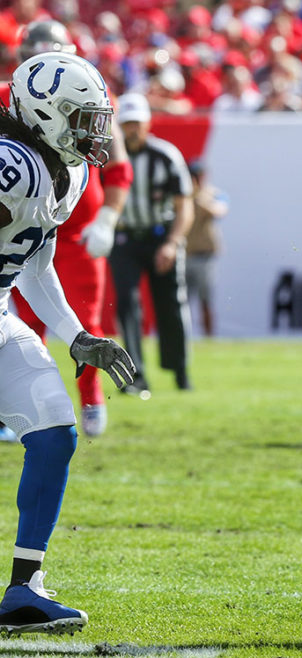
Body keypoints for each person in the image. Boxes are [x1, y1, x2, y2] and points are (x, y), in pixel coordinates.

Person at [0, 51, 136, 635]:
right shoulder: (10, 162)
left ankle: (24, 591)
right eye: (82, 118)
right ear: (44, 114)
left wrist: (76, 335)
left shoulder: (67, 169)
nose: (95, 133)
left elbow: (35, 259)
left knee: (54, 430)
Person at [6, 19, 134, 439]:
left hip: (70, 230)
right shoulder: (17, 160)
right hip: (25, 231)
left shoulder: (72, 168)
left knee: (85, 319)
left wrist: (108, 217)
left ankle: (89, 397)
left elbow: (117, 167)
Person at [110, 93, 194, 393]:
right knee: (127, 306)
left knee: (170, 304)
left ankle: (180, 372)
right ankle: (134, 377)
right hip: (124, 237)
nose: (132, 130)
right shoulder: (110, 157)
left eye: (137, 123)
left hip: (161, 236)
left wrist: (172, 243)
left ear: (148, 124)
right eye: (127, 124)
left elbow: (185, 206)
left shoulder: (166, 156)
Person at [185, 160, 228, 337]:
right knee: (183, 302)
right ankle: (183, 337)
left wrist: (197, 197)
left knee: (205, 300)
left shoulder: (212, 194)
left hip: (205, 257)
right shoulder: (183, 194)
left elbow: (219, 211)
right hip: (185, 255)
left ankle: (208, 337)